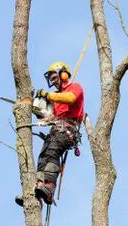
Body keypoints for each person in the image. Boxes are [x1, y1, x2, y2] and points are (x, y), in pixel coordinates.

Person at [15, 61, 84, 206]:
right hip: (55, 130)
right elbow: (52, 116)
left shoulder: (74, 88)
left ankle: (49, 187)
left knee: (52, 153)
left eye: (54, 77)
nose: (53, 81)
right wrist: (41, 113)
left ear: (64, 74)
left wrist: (48, 95)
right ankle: (34, 191)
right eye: (51, 79)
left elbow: (70, 99)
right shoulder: (56, 98)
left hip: (67, 131)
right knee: (43, 158)